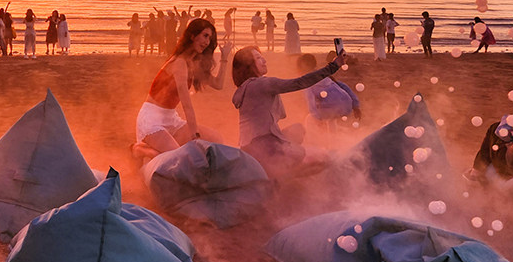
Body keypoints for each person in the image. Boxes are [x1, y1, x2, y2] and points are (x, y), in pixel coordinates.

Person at [231, 46, 345, 176]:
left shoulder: (245, 87)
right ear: (249, 66)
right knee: (321, 158)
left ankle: (289, 169)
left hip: (250, 147)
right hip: (264, 147)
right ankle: (287, 176)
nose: (264, 60)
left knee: (297, 130)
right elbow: (300, 82)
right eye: (258, 58)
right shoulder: (261, 84)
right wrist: (334, 66)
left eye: (262, 56)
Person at [135, 18, 231, 154]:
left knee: (216, 138)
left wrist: (224, 58)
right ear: (192, 36)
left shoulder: (193, 64)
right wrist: (194, 136)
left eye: (209, 38)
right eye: (205, 36)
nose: (207, 42)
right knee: (179, 157)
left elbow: (218, 84)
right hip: (152, 119)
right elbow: (187, 105)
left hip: (171, 119)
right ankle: (138, 149)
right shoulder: (179, 63)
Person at [297, 53, 361, 128]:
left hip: (334, 107)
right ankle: (333, 136)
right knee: (330, 118)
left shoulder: (307, 81)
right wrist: (355, 105)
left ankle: (310, 138)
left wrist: (317, 118)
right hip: (347, 105)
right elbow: (344, 86)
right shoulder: (324, 75)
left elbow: (310, 101)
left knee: (310, 119)